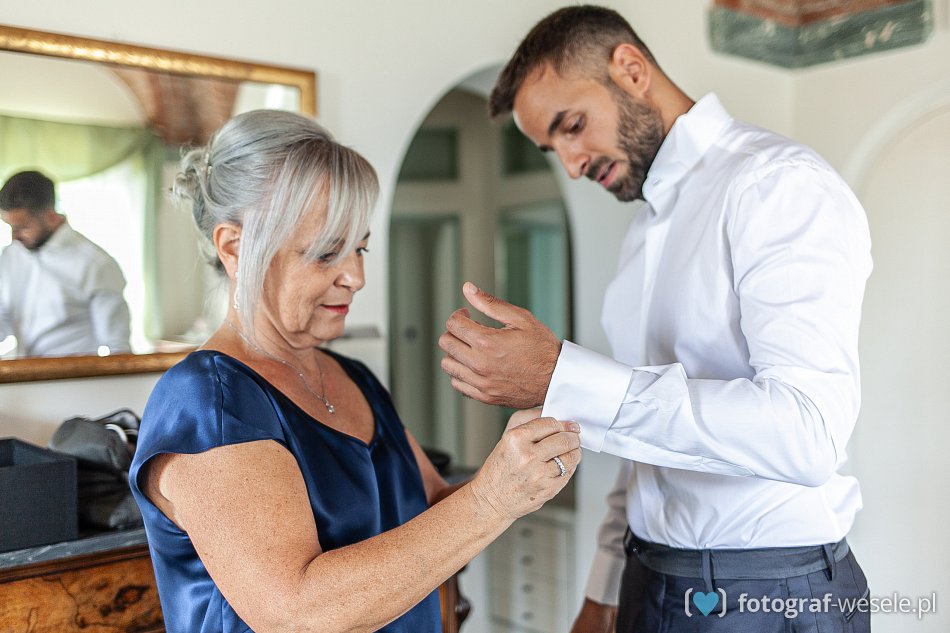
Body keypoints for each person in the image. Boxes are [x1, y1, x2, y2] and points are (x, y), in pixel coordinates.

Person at [438, 6, 872, 632]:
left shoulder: (776, 185)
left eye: (572, 126)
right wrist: (603, 588)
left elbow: (809, 435)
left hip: (770, 592)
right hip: (647, 579)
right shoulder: (641, 237)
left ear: (632, 70)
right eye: (553, 148)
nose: (571, 164)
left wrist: (563, 375)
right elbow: (646, 440)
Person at [127, 109, 581, 633]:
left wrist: (523, 456)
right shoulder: (210, 402)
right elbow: (296, 613)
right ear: (235, 247)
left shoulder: (354, 378)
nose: (357, 276)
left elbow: (434, 511)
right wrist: (492, 499)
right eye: (327, 254)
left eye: (359, 247)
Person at [0, 170, 131, 357]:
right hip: (21, 370)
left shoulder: (96, 265)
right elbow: (4, 316)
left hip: (73, 373)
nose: (14, 237)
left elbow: (117, 347)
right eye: (10, 227)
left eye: (23, 227)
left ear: (51, 216)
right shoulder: (10, 255)